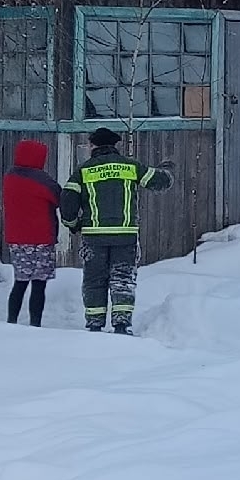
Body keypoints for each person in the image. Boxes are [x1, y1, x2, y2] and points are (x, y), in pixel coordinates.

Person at [61, 126, 170, 334]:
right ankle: (121, 324)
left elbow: (67, 201)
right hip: (125, 235)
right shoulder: (129, 166)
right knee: (123, 278)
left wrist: (73, 224)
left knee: (94, 280)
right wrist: (167, 171)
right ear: (114, 145)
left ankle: (95, 324)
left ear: (94, 145)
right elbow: (159, 182)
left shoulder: (83, 170)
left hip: (94, 237)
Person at [1, 137, 63, 327]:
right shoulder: (42, 180)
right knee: (39, 284)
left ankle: (11, 320)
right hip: (41, 238)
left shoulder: (9, 177)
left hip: (17, 239)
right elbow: (58, 197)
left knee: (20, 282)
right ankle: (35, 323)